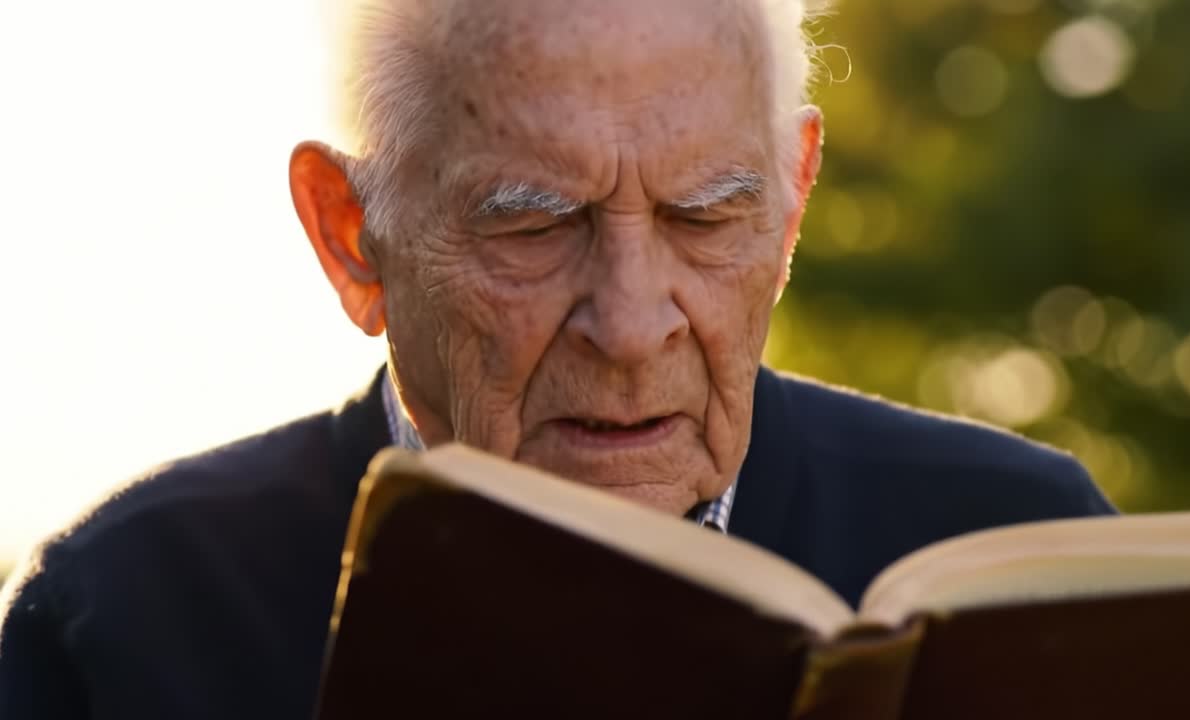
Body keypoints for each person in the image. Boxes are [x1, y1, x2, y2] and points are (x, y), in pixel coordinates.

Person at [0, 0, 1115, 717]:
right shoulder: (129, 617)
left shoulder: (1024, 550)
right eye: (531, 228)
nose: (631, 327)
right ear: (351, 235)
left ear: (789, 207)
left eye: (702, 219)